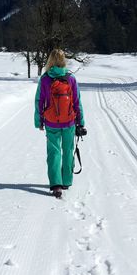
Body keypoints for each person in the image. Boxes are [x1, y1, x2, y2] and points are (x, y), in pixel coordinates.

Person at [34, 49, 85, 198]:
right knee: (68, 151)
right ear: (64, 61)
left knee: (54, 153)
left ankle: (56, 185)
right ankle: (66, 181)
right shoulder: (70, 78)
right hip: (69, 122)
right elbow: (77, 102)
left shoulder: (45, 79)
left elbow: (39, 101)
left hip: (51, 123)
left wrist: (39, 121)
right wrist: (80, 123)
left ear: (50, 60)